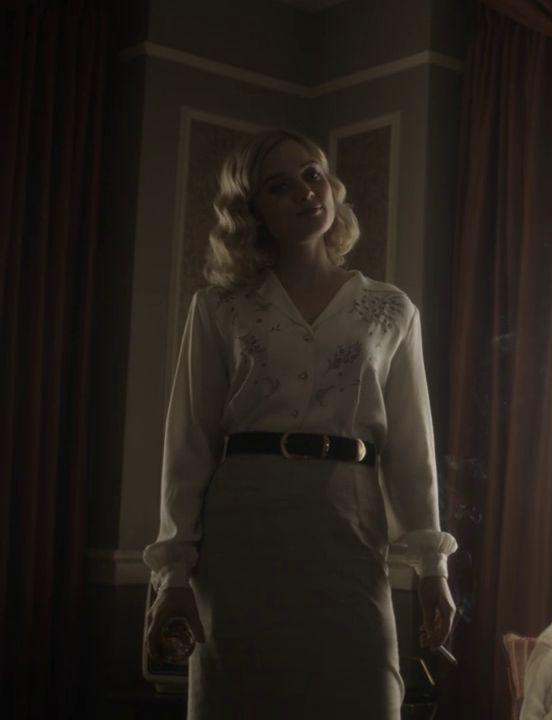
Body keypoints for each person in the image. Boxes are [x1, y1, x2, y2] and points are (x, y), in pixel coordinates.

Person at [141, 129, 458, 719]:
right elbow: (188, 446)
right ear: (253, 210)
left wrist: (432, 567)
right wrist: (174, 574)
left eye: (312, 176)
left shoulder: (391, 310)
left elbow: (412, 450)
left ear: (332, 186)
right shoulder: (219, 306)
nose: (305, 193)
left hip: (348, 522)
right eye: (279, 187)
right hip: (243, 528)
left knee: (362, 692)